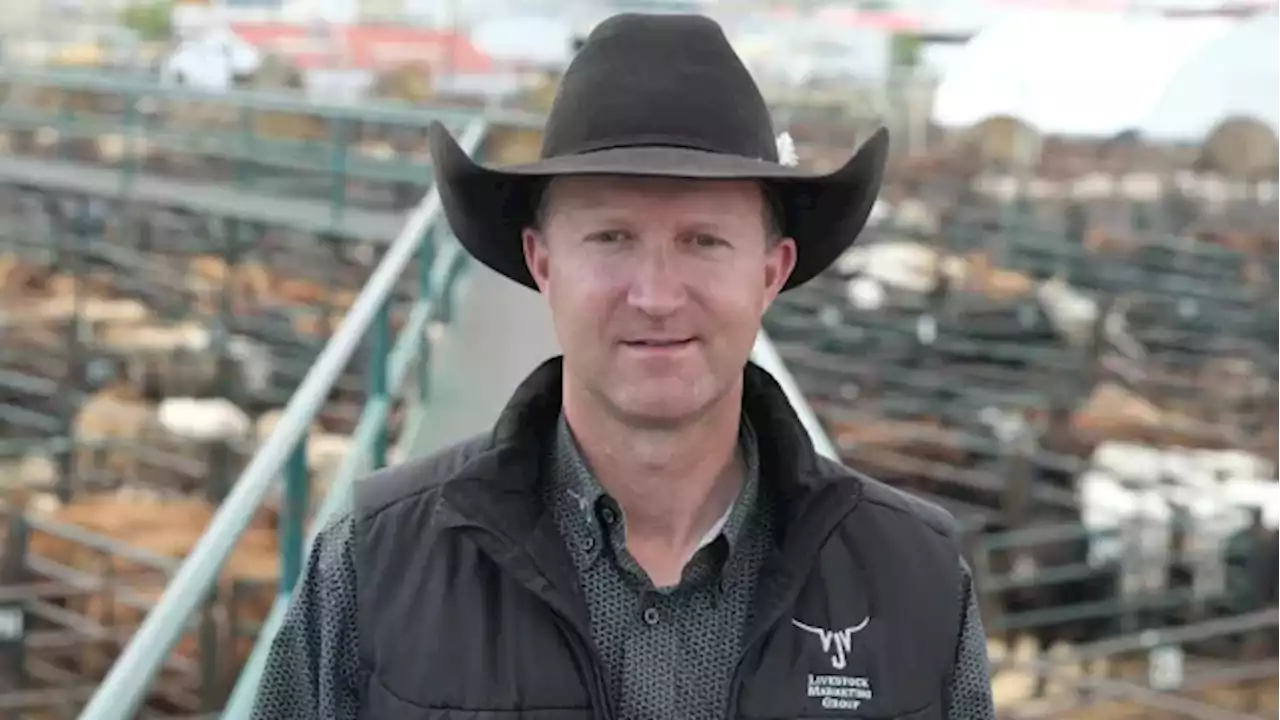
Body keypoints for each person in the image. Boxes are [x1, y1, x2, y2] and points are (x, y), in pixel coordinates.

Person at [251, 12, 995, 720]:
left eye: (704, 241)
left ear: (771, 272)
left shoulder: (916, 581)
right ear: (542, 264)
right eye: (611, 237)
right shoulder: (374, 560)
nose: (656, 295)